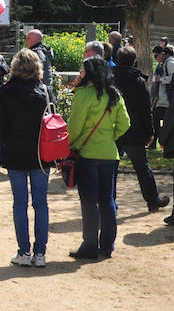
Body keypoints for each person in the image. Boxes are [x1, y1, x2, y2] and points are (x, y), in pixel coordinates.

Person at [0, 49, 53, 268]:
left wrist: (7, 140)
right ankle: (41, 253)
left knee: (20, 203)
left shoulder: (6, 92)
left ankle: (24, 252)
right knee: (41, 204)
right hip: (40, 154)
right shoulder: (45, 91)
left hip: (15, 152)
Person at [67, 56, 130, 260]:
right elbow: (125, 123)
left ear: (90, 72)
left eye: (83, 70)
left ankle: (90, 244)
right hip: (109, 153)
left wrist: (72, 146)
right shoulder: (115, 95)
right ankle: (107, 244)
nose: (80, 74)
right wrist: (110, 137)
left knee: (88, 200)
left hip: (87, 154)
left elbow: (75, 126)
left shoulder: (83, 95)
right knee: (107, 200)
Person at [112, 46, 169, 213]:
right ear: (134, 61)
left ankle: (110, 202)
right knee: (143, 168)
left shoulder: (109, 79)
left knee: (111, 169)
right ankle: (153, 200)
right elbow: (146, 110)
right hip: (134, 131)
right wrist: (150, 132)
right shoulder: (138, 82)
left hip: (113, 129)